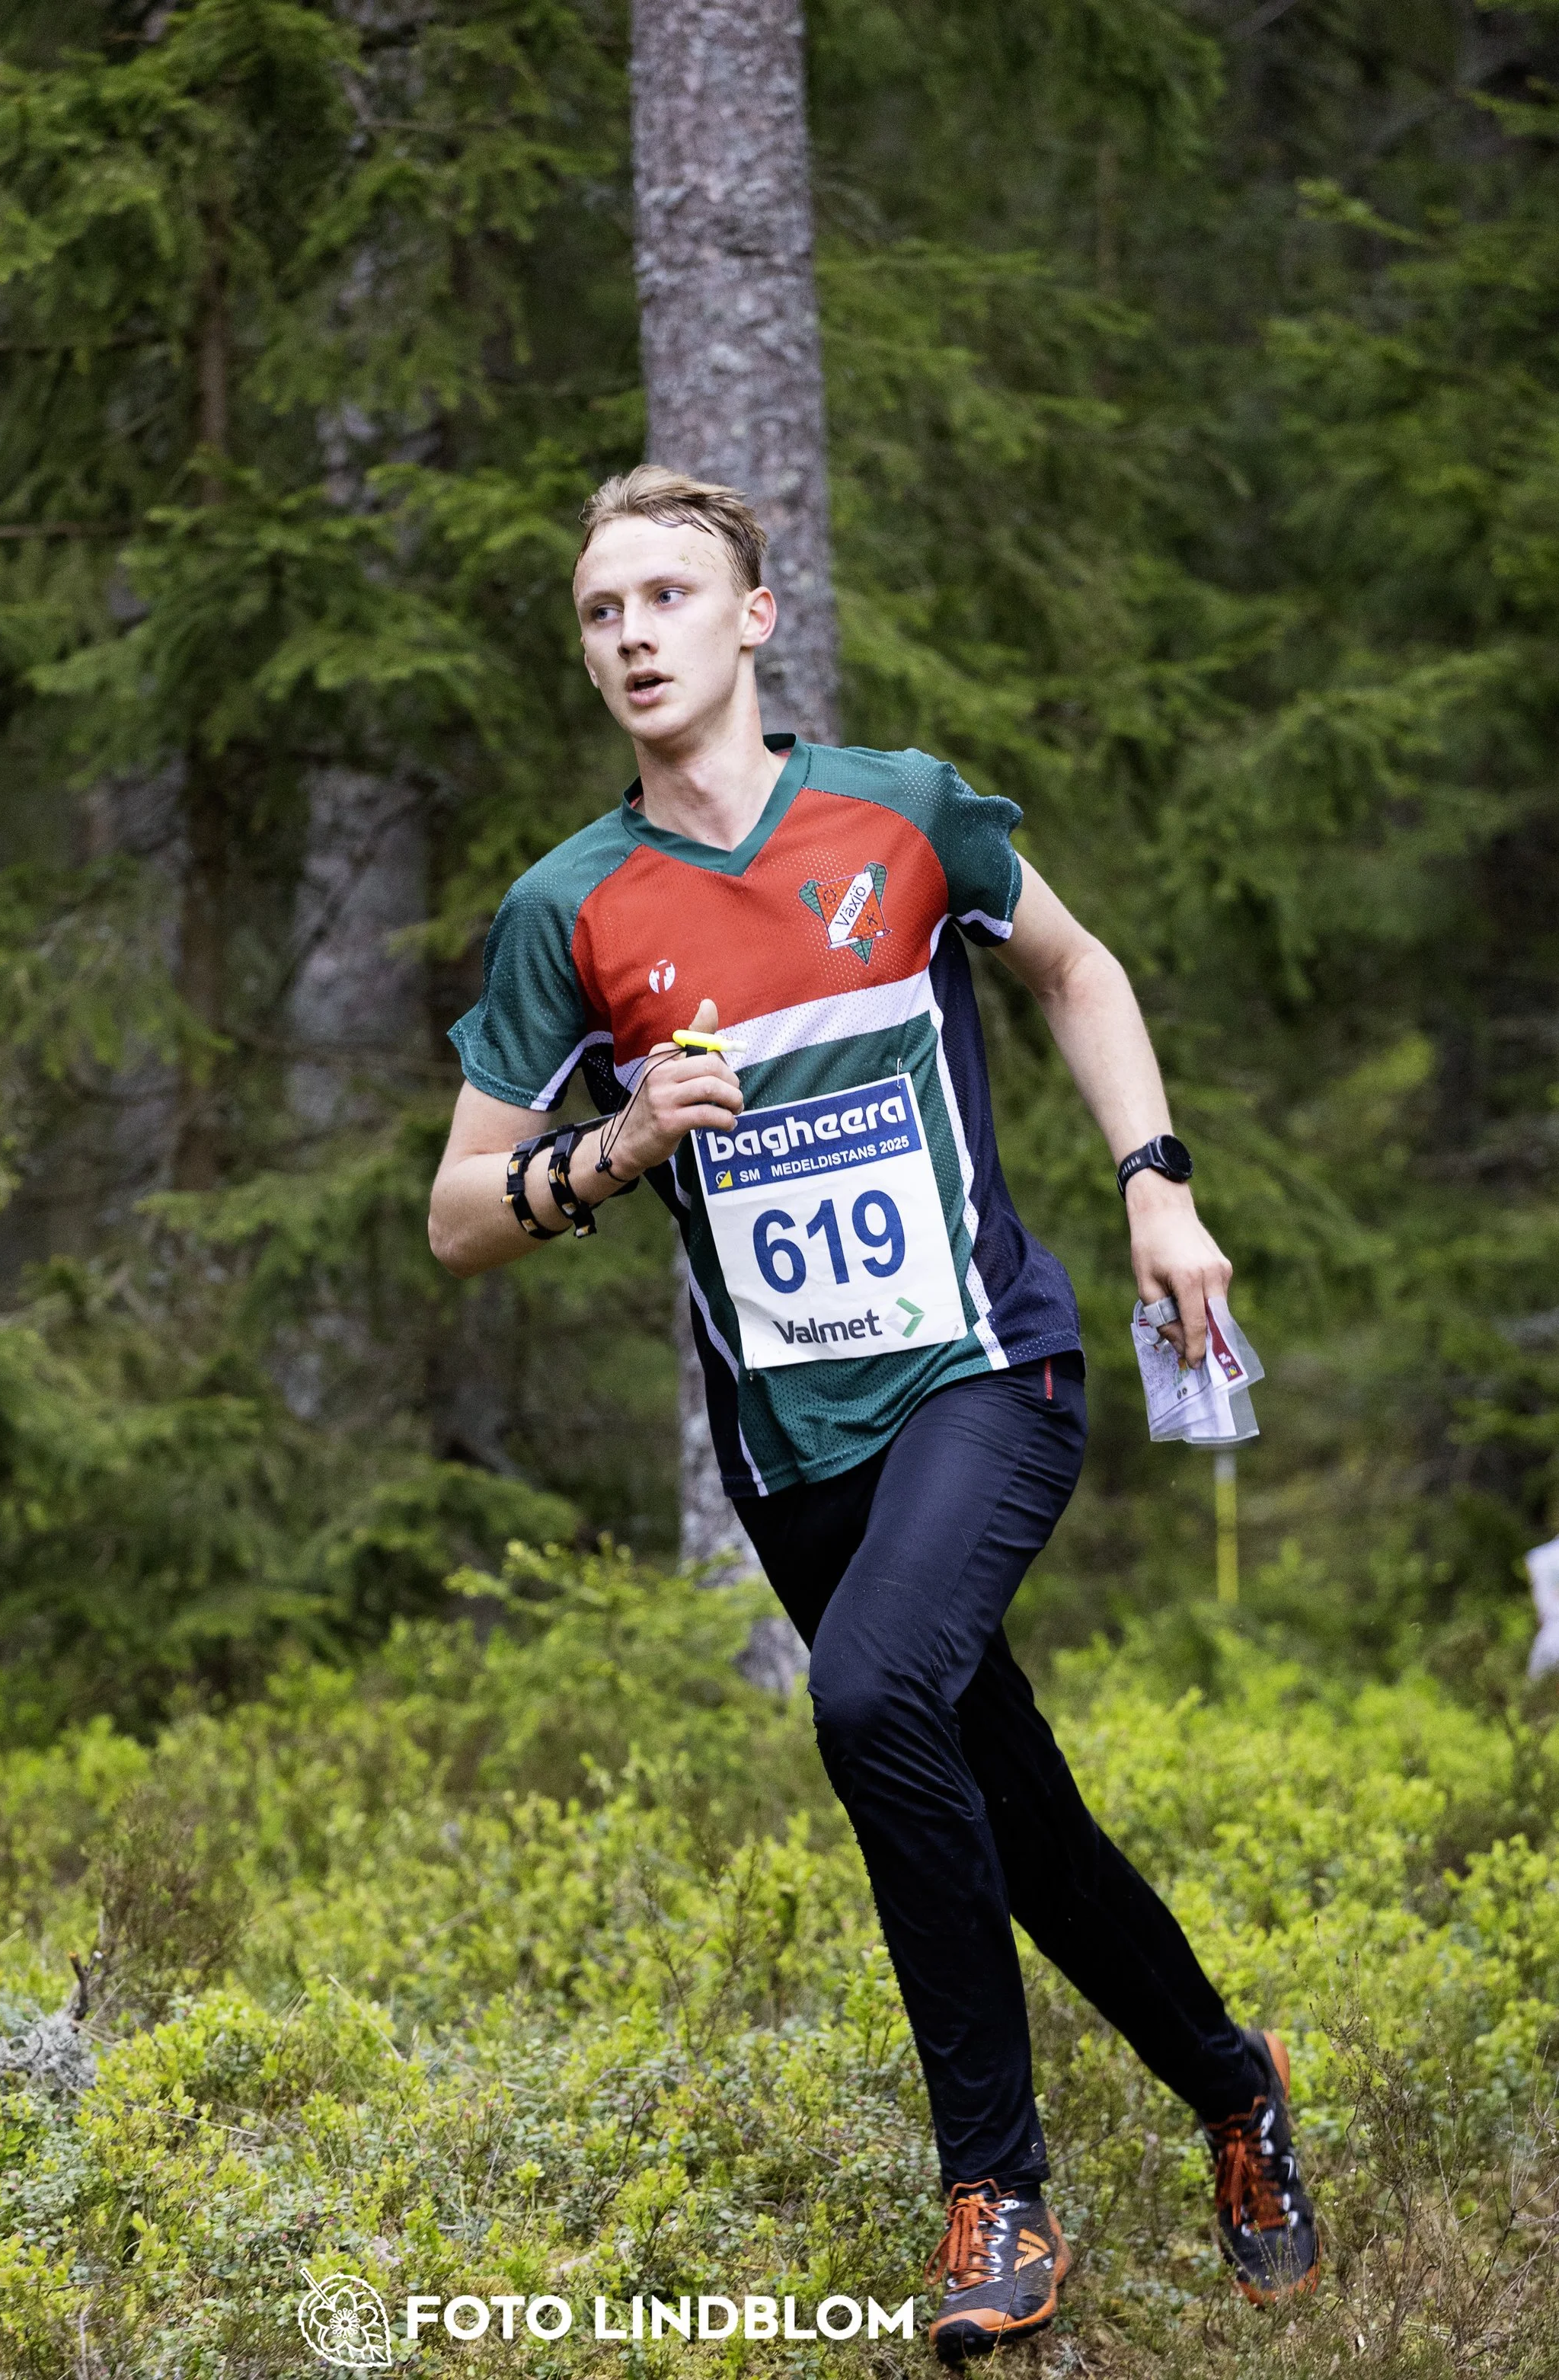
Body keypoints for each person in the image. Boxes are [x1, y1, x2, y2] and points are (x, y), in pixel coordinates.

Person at [427, 465, 1318, 2363]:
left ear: (752, 616)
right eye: (600, 612)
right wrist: (614, 1143)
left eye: (666, 596)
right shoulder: (568, 909)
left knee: (860, 1701)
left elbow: (1075, 966)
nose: (632, 636)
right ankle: (1233, 2085)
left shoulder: (898, 812)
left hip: (984, 1369)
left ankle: (991, 2187)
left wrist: (1154, 1182)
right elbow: (456, 1216)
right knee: (1014, 1801)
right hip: (792, 1446)